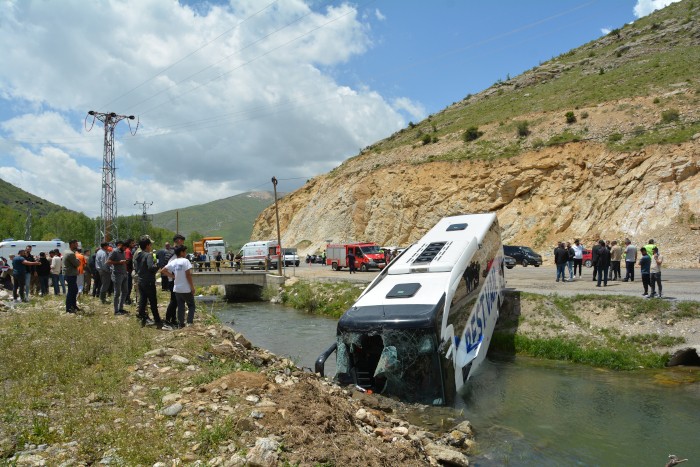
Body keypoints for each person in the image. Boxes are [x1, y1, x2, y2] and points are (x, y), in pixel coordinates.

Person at [134, 236, 170, 329]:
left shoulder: (139, 254)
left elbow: (137, 267)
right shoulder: (148, 255)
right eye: (150, 245)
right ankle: (157, 320)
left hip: (141, 280)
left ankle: (142, 318)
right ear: (147, 245)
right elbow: (151, 268)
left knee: (143, 300)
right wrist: (158, 265)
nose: (151, 246)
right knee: (153, 301)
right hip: (148, 281)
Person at [161, 245, 196, 328]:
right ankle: (190, 323)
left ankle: (181, 324)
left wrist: (173, 276)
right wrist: (192, 287)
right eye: (185, 251)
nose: (186, 253)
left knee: (180, 306)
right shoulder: (186, 261)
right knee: (191, 305)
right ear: (181, 252)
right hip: (186, 288)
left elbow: (163, 270)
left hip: (177, 288)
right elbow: (188, 275)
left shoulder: (174, 262)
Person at [165, 234, 187, 327]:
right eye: (182, 241)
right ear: (178, 241)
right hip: (173, 280)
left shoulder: (171, 251)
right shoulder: (174, 252)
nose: (182, 243)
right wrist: (174, 276)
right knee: (174, 301)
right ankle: (168, 320)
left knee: (176, 301)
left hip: (174, 279)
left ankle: (173, 319)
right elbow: (168, 267)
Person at [107, 240, 129, 315]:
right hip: (117, 274)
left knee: (125, 291)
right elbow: (108, 261)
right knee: (117, 293)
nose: (125, 249)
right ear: (121, 245)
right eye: (125, 247)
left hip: (124, 274)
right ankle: (116, 311)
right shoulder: (114, 251)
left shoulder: (123, 251)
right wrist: (119, 262)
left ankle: (121, 308)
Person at [63, 240, 81, 313]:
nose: (77, 245)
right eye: (76, 244)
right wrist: (78, 259)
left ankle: (73, 305)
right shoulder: (70, 254)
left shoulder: (67, 252)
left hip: (70, 274)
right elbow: (77, 264)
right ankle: (69, 308)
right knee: (71, 291)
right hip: (70, 274)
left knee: (74, 290)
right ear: (72, 244)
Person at [124, 238, 135, 305]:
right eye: (132, 243)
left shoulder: (128, 250)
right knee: (128, 286)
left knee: (128, 286)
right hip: (127, 271)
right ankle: (126, 299)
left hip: (128, 271)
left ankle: (127, 298)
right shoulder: (128, 251)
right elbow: (127, 261)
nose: (133, 244)